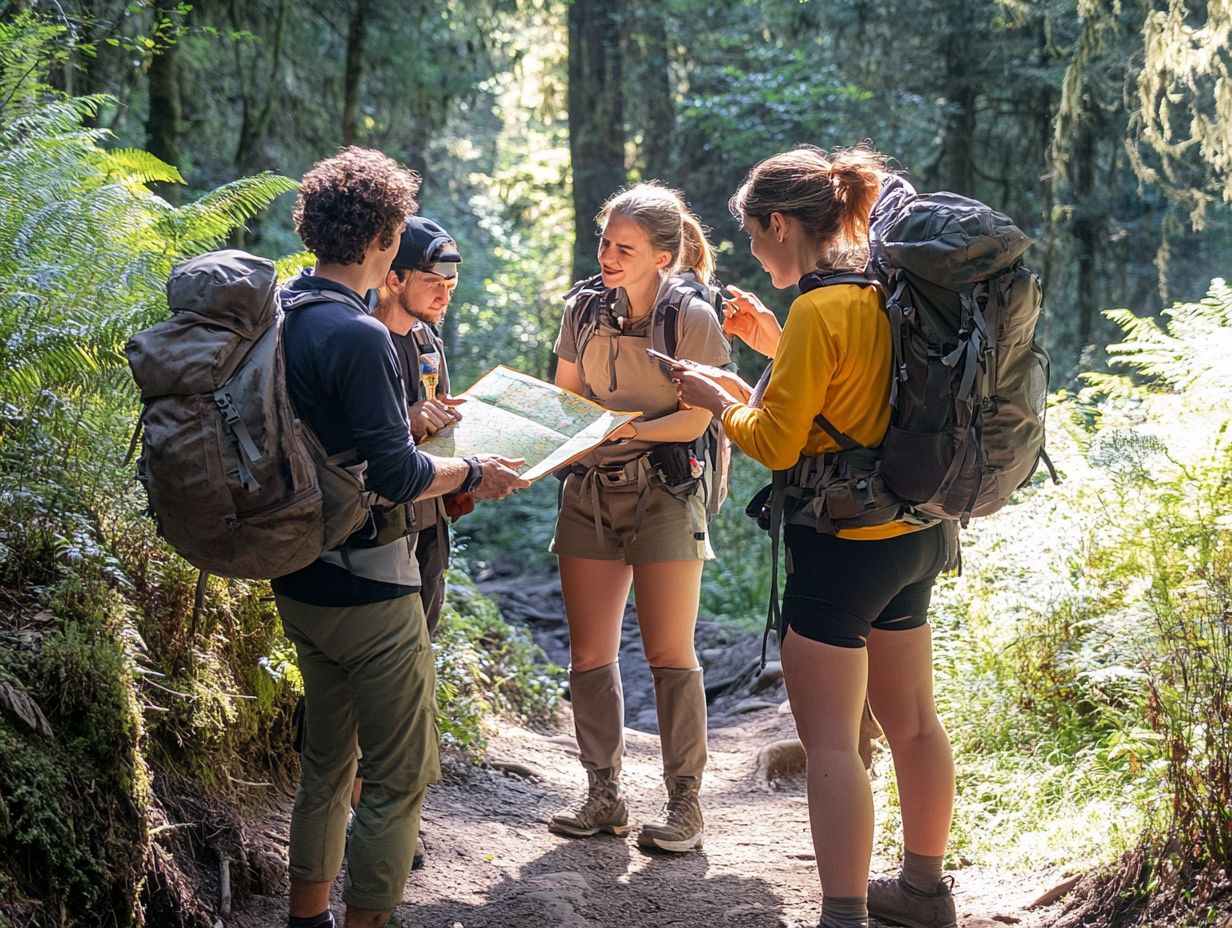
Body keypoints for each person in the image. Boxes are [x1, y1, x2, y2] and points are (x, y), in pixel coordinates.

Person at [673, 145, 957, 928]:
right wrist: (765, 354)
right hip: (917, 533)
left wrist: (712, 396)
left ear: (778, 223)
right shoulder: (885, 289)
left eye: (753, 235)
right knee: (913, 721)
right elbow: (852, 397)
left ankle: (843, 914)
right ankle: (927, 892)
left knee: (832, 744)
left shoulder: (817, 310)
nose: (751, 251)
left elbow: (776, 443)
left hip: (841, 550)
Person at [274, 147, 528, 928]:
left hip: (298, 574)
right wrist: (474, 470)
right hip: (374, 581)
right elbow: (395, 476)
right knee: (397, 778)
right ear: (386, 241)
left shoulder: (283, 312)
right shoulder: (359, 335)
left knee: (326, 765)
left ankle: (307, 916)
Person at [548, 182, 731, 853]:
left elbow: (701, 414)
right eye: (604, 242)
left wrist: (624, 433)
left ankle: (685, 803)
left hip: (665, 493)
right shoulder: (582, 310)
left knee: (668, 654)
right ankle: (603, 796)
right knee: (590, 654)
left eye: (623, 247)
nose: (607, 255)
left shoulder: (691, 317)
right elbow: (565, 400)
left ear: (662, 254)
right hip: (589, 495)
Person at [372, 216, 466, 638]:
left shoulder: (428, 341)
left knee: (422, 644)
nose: (444, 297)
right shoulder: (358, 339)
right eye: (434, 284)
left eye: (451, 286)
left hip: (429, 523)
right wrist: (403, 420)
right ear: (394, 278)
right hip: (375, 532)